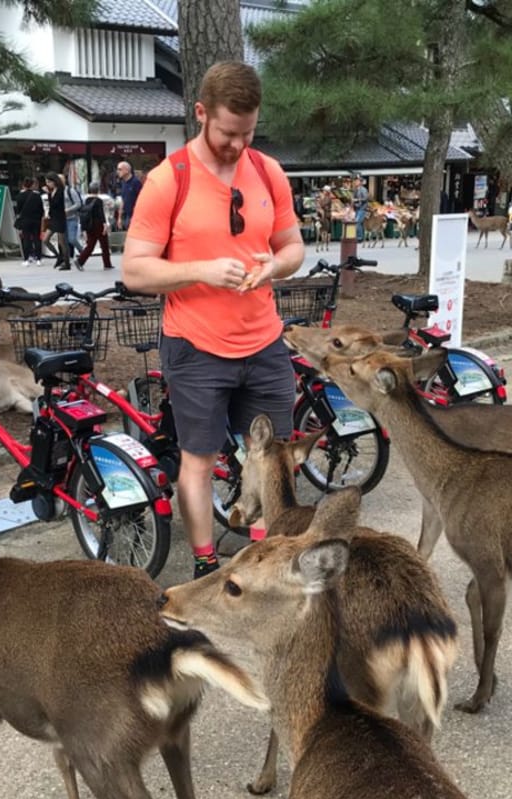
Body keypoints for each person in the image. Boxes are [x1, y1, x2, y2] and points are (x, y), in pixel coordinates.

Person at [122, 60, 304, 579]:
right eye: (227, 132)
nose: (238, 145)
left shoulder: (268, 171)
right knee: (198, 460)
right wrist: (202, 270)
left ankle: (265, 562)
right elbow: (135, 270)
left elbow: (293, 247)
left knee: (272, 459)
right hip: (196, 347)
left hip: (265, 343)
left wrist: (276, 265)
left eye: (247, 133)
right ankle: (206, 565)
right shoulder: (168, 180)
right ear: (201, 114)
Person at [75, 186, 113, 270]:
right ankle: (107, 264)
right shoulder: (98, 200)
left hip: (89, 225)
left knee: (90, 245)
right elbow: (101, 213)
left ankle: (80, 260)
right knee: (104, 245)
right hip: (98, 224)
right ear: (98, 191)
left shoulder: (86, 200)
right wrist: (104, 224)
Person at [14, 177, 44, 266]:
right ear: (32, 185)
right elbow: (41, 209)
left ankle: (26, 259)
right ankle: (38, 259)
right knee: (37, 239)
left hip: (25, 220)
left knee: (26, 239)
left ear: (23, 185)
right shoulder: (37, 195)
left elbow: (18, 210)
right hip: (36, 220)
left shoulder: (19, 196)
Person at [45, 174, 70, 270]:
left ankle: (67, 263)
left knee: (62, 242)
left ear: (54, 181)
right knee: (46, 240)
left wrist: (48, 194)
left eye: (49, 182)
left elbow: (56, 204)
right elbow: (52, 205)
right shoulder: (53, 191)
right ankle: (58, 256)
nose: (48, 184)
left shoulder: (60, 191)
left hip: (60, 218)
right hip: (53, 218)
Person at [116, 161, 142, 230]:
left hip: (135, 216)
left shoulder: (136, 182)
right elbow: (122, 200)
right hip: (126, 215)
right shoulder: (123, 182)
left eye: (120, 169)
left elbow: (142, 200)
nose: (118, 171)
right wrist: (119, 218)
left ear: (127, 170)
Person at [352, 174, 370, 240]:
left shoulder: (363, 189)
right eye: (355, 181)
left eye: (357, 181)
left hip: (362, 208)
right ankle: (358, 236)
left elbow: (366, 198)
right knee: (357, 222)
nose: (355, 182)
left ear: (360, 182)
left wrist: (358, 199)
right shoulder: (355, 189)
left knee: (357, 222)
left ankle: (359, 237)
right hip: (357, 208)